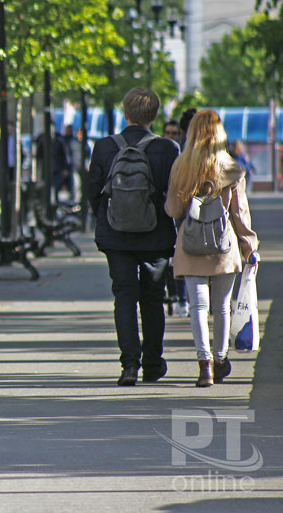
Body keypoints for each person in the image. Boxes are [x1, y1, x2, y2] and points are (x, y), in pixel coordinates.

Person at [88, 88, 180, 386]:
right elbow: (174, 195)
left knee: (124, 297)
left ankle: (129, 365)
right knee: (153, 299)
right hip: (155, 236)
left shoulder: (103, 147)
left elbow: (93, 192)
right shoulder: (167, 149)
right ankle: (153, 363)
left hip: (116, 236)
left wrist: (107, 218)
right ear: (154, 116)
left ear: (125, 113)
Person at [164, 110, 259, 387]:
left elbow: (172, 209)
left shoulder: (181, 165)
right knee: (221, 307)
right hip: (223, 245)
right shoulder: (231, 167)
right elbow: (240, 215)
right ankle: (220, 359)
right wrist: (249, 246)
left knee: (197, 306)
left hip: (190, 244)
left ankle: (204, 364)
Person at [163, 119, 189, 318]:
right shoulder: (161, 154)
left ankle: (183, 298)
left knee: (183, 256)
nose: (171, 136)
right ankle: (179, 298)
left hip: (182, 213)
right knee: (174, 259)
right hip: (169, 213)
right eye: (168, 133)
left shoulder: (183, 156)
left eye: (174, 133)